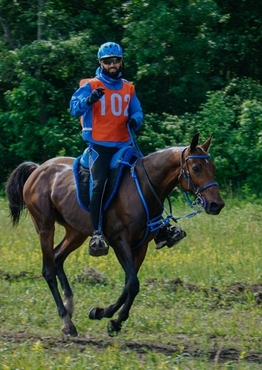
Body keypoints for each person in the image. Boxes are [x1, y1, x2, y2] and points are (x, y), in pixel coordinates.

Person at [70, 41, 184, 256]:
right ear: (100, 63)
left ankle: (160, 229)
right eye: (107, 61)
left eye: (116, 60)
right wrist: (89, 100)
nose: (112, 64)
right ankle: (97, 233)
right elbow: (74, 109)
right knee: (99, 185)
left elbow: (137, 111)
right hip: (100, 147)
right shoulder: (91, 85)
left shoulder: (128, 87)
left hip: (125, 146)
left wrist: (135, 120)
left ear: (121, 61)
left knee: (148, 181)